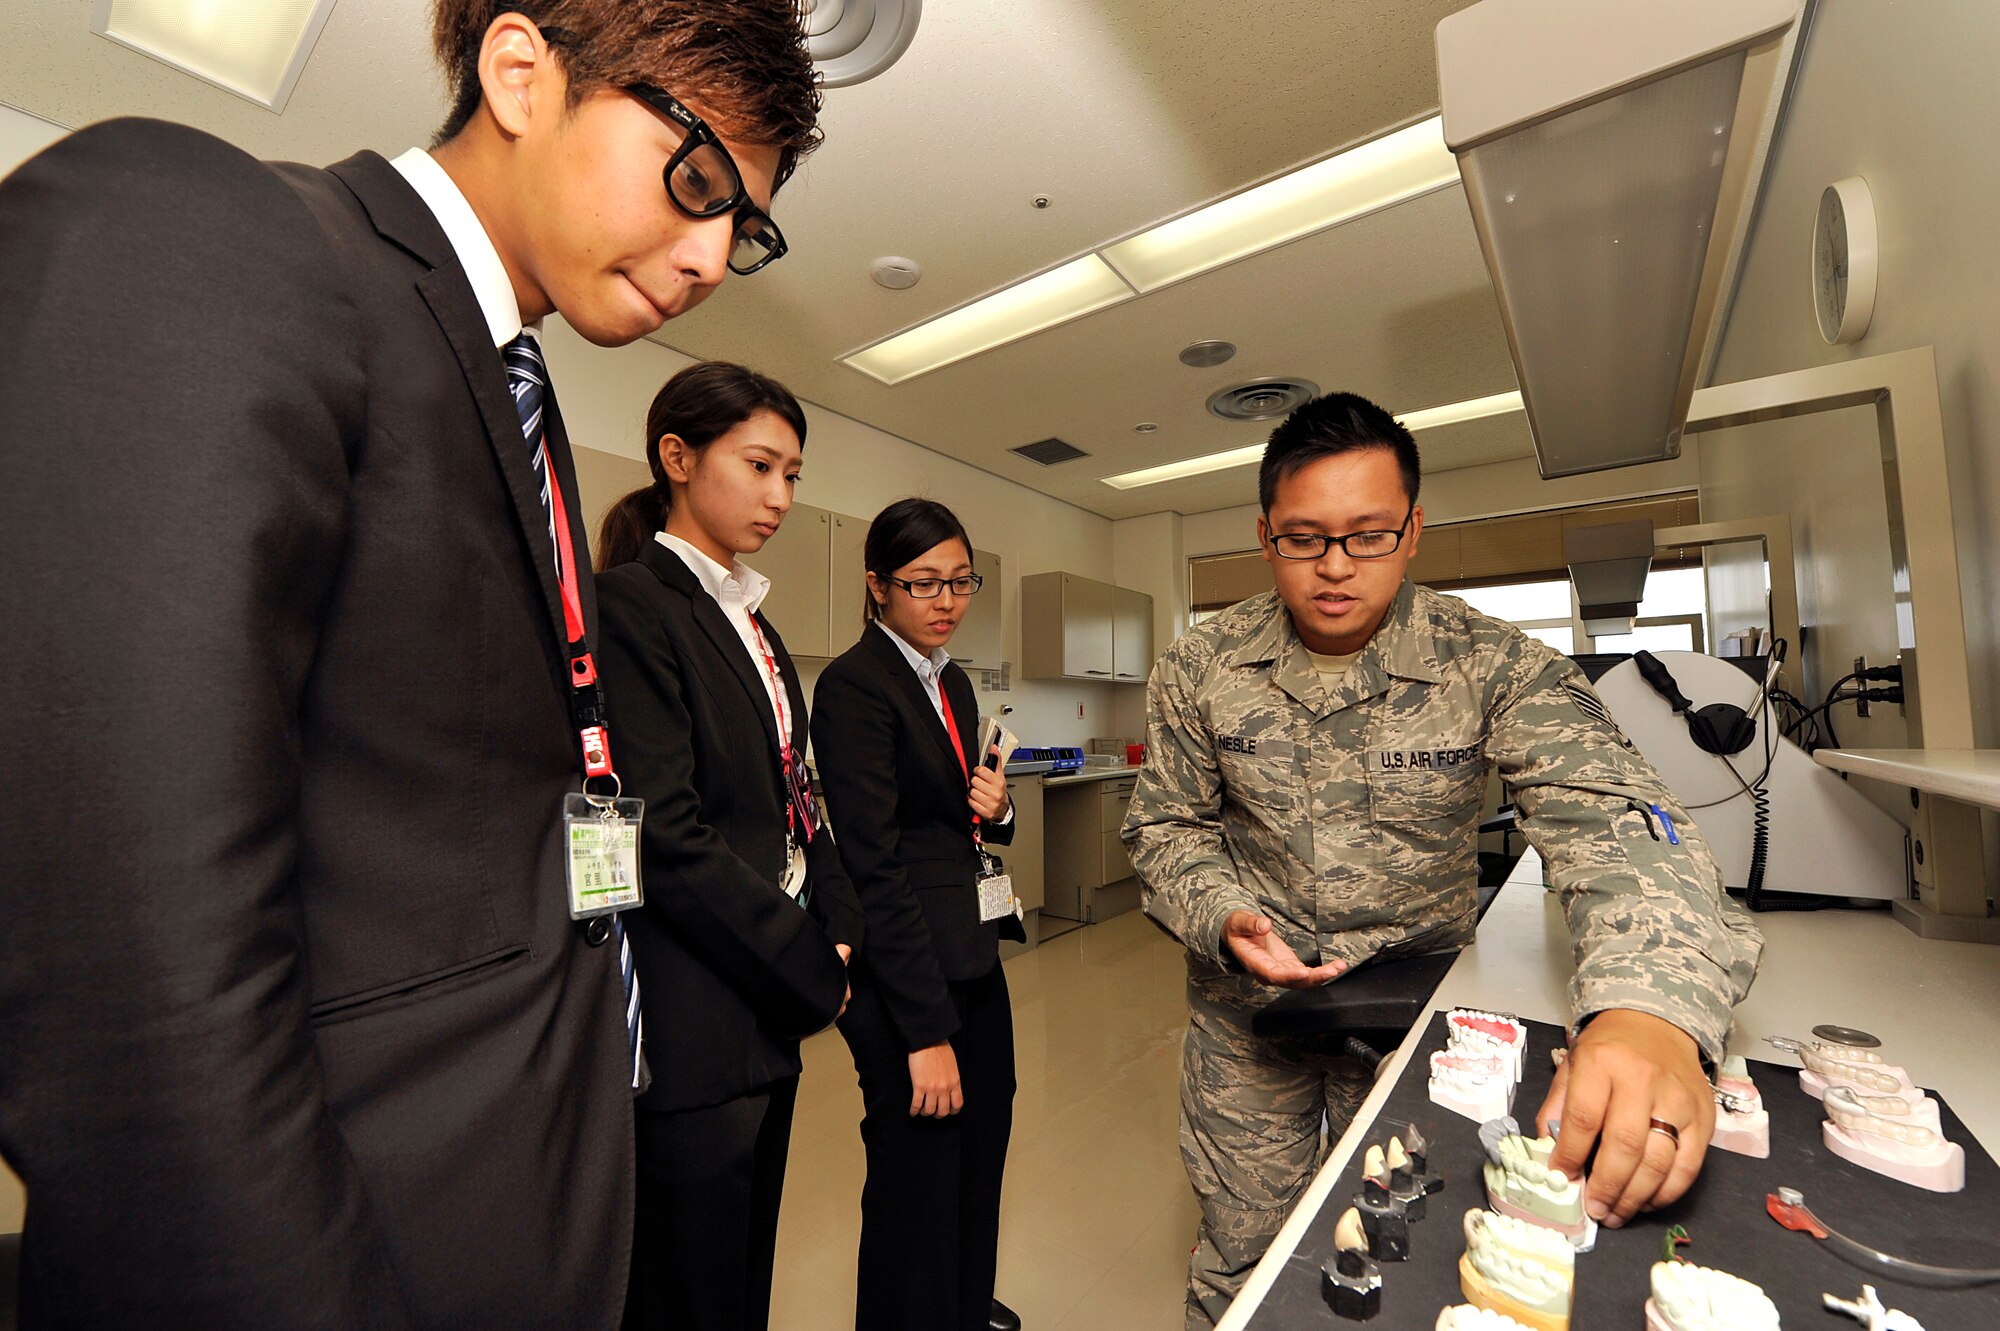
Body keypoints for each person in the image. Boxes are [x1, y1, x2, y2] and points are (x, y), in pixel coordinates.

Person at [0, 3, 820, 1326]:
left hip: (526, 1203)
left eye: (748, 222)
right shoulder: (211, 234)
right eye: (697, 178)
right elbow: (124, 974)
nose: (716, 251)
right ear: (518, 72)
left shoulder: (514, 399)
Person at [1122, 392, 1764, 1328]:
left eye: (1368, 534)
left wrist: (1650, 1007)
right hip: (1247, 1030)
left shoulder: (1490, 661)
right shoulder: (1200, 665)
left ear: (1414, 529)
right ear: (1266, 537)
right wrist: (1221, 909)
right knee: (1245, 1261)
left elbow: (1620, 816)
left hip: (1407, 1022)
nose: (1335, 566)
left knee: (1402, 1256)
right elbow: (1163, 828)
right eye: (1304, 539)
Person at [594, 361, 864, 1331]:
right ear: (677, 456)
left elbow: (798, 797)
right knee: (689, 1293)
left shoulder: (753, 620)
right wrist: (808, 964)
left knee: (743, 1279)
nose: (781, 496)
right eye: (759, 465)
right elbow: (666, 832)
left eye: (792, 473)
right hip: (698, 1023)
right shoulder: (631, 604)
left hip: (767, 1019)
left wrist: (841, 921)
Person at [811, 499, 1026, 1331]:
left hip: (971, 954)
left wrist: (998, 809)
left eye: (960, 581)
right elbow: (875, 864)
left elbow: (957, 818)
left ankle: (964, 1306)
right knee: (916, 1180)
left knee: (982, 1151)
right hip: (908, 979)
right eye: (923, 583)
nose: (946, 600)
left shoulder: (955, 680)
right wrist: (923, 1029)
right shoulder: (854, 687)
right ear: (877, 586)